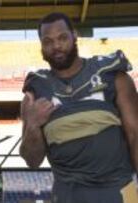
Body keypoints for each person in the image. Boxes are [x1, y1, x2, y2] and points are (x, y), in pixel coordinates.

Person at [20, 12, 138, 203]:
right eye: (48, 41)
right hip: (69, 195)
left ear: (75, 35)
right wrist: (33, 125)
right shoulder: (35, 93)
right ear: (41, 46)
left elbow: (135, 135)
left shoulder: (112, 75)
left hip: (119, 191)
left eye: (62, 38)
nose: (56, 46)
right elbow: (31, 161)